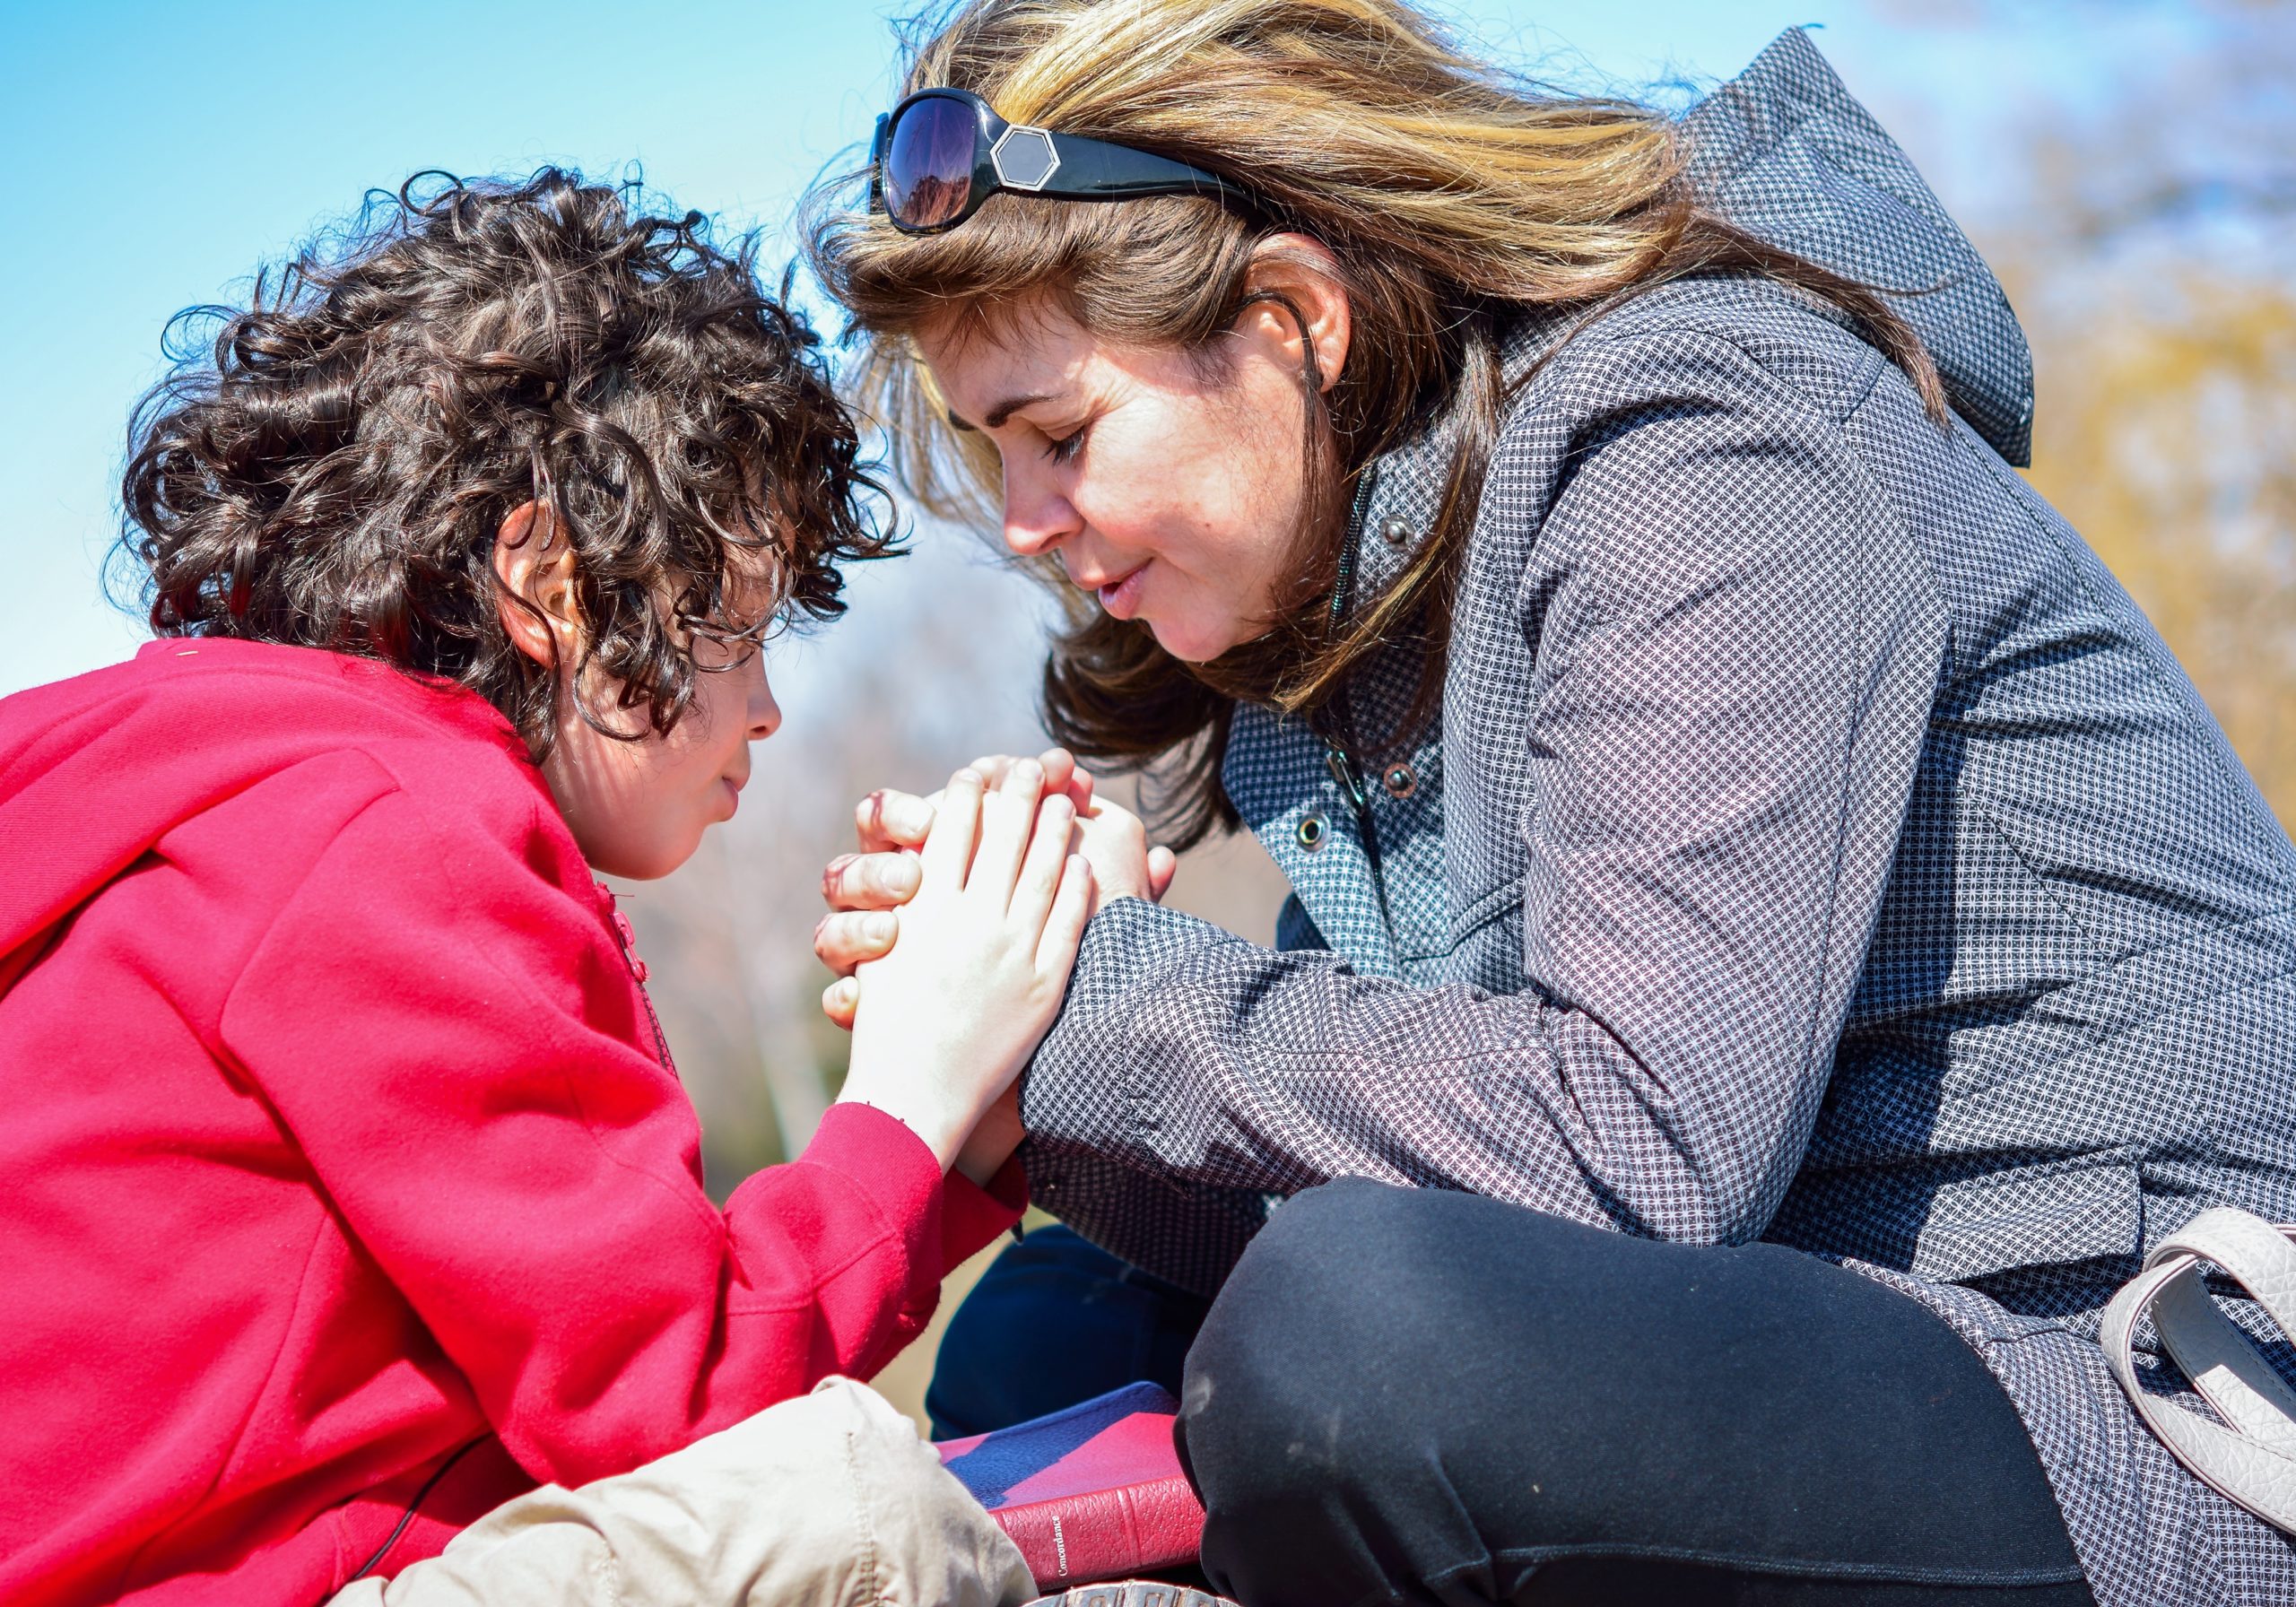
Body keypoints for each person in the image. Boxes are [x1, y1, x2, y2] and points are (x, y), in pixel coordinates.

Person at [805, 4, 2296, 1604]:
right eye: (993, 454)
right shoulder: (1352, 637)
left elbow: (1637, 1146)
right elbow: (1441, 1145)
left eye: (1061, 437)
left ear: (1296, 316)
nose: (1026, 524)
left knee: (1354, 1332)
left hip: (2142, 1380)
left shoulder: (1704, 430)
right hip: (1837, 1313)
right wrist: (1020, 1048)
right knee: (1059, 1330)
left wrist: (1101, 994)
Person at [0, 168, 1147, 1607]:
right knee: (850, 1514)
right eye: (737, 622)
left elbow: (603, 1365)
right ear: (549, 583)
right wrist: (913, 1083)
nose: (768, 709)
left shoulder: (240, 792)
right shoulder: (385, 836)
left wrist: (969, 1106)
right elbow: (682, 1401)